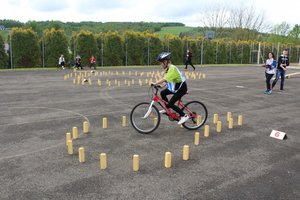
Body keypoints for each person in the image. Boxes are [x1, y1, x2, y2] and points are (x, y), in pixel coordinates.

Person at [151, 52, 189, 125]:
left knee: (171, 103)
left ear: (165, 62)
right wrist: (161, 86)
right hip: (177, 87)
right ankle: (167, 109)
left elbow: (165, 79)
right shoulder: (169, 69)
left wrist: (155, 83)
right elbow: (168, 80)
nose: (160, 65)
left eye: (161, 63)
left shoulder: (172, 68)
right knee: (163, 93)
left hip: (181, 88)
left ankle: (184, 115)